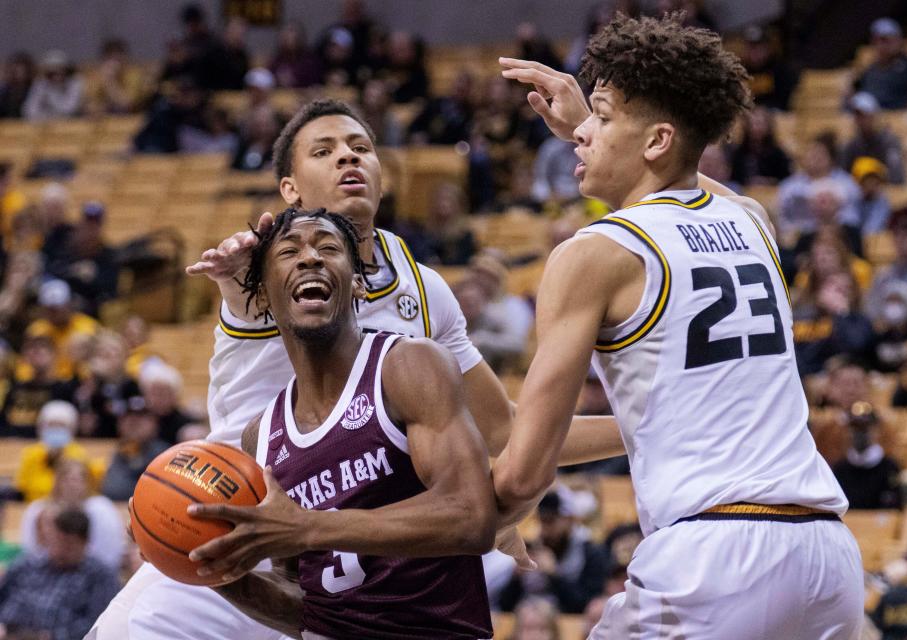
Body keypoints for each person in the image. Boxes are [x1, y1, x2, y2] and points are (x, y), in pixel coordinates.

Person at [88, 98, 622, 640]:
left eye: (360, 148)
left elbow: (505, 431)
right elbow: (245, 286)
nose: (348, 157)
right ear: (290, 188)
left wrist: (644, 428)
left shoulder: (424, 288)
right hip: (233, 519)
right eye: (324, 151)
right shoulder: (268, 266)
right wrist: (234, 277)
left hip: (360, 548)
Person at [495, 14, 862, 638]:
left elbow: (525, 472)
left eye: (603, 118)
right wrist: (596, 123)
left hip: (713, 557)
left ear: (657, 140)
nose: (584, 135)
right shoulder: (752, 223)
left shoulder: (593, 254)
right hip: (828, 558)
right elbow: (688, 178)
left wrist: (482, 516)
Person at [188, 208, 496, 639]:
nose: (310, 258)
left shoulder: (407, 365)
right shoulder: (262, 435)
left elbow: (471, 517)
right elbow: (305, 606)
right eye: (289, 251)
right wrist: (207, 567)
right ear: (264, 296)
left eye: (328, 248)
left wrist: (308, 527)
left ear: (357, 285)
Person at [0, 508, 119, 640]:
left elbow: (98, 625)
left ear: (85, 543)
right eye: (57, 541)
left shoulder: (100, 576)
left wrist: (51, 637)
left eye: (69, 545)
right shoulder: (28, 564)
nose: (60, 550)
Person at [498, 491, 608, 614]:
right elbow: (504, 606)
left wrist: (554, 575)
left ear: (569, 520)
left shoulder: (591, 553)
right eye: (542, 521)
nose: (545, 530)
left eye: (550, 521)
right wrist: (516, 579)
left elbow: (586, 607)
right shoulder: (531, 549)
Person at [19, 458, 126, 571]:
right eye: (67, 480)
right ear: (57, 482)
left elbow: (110, 553)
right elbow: (30, 549)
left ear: (88, 483)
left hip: (92, 573)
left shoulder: (101, 509)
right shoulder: (38, 510)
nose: (72, 485)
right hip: (45, 573)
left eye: (78, 480)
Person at [13, 401, 100, 503]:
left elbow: (86, 488)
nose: (56, 429)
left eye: (61, 426)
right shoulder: (31, 453)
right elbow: (22, 486)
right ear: (42, 427)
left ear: (71, 428)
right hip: (34, 503)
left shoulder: (79, 454)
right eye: (52, 425)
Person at [830, 401, 902, 510]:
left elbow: (894, 507)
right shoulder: (840, 469)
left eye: (864, 428)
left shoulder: (889, 468)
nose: (859, 434)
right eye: (854, 428)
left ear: (876, 430)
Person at [0, 335, 76, 438]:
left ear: (54, 354)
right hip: (12, 444)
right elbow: (3, 422)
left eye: (42, 348)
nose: (36, 352)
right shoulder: (15, 388)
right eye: (31, 349)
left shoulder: (65, 389)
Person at [24, 279, 100, 382]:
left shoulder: (89, 327)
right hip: (47, 382)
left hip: (79, 381)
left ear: (69, 304)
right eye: (50, 309)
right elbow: (25, 366)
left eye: (58, 308)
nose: (55, 313)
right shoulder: (36, 330)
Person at [100, 396, 169, 501]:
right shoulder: (119, 451)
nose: (134, 422)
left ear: (154, 423)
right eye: (129, 417)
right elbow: (111, 489)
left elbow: (162, 493)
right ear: (120, 424)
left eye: (141, 417)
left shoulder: (165, 454)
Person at [839, 92, 905, 184]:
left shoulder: (889, 142)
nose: (860, 120)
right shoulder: (851, 146)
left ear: (874, 116)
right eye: (857, 115)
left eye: (864, 115)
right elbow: (843, 177)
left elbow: (897, 177)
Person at [23, 50, 84, 121]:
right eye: (52, 73)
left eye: (60, 72)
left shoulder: (75, 83)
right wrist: (46, 118)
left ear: (66, 70)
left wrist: (50, 96)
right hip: (47, 125)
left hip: (73, 126)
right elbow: (29, 110)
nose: (56, 77)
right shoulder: (41, 84)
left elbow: (70, 109)